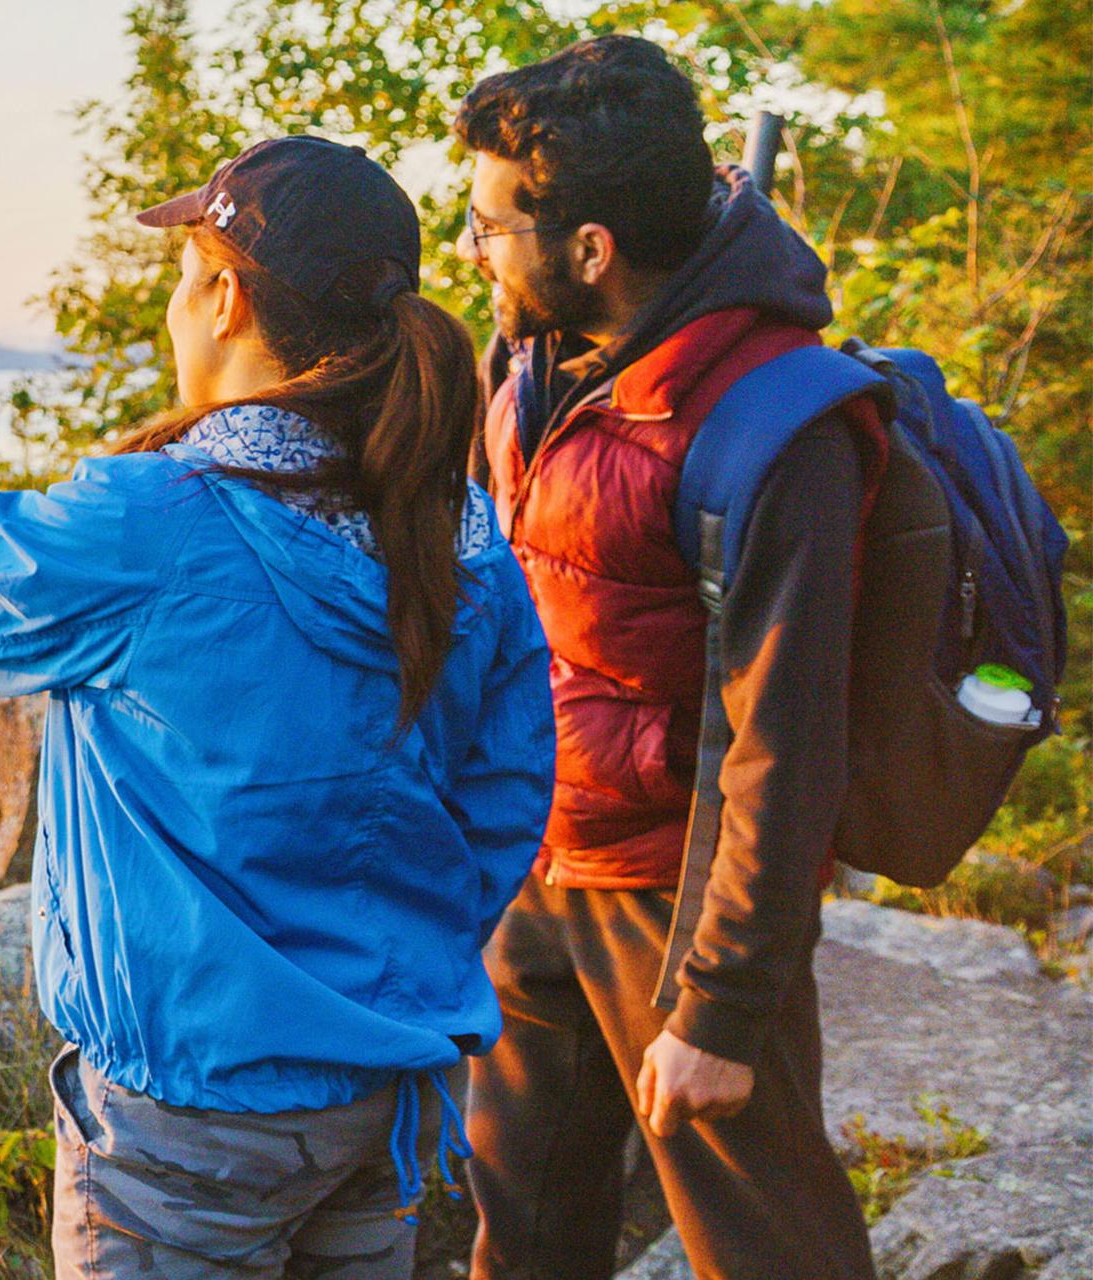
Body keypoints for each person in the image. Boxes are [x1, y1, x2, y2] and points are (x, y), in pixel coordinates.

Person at [0, 135, 554, 1278]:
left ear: (225, 297)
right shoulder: (460, 527)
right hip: (386, 1095)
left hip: (188, 1118)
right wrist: (403, 951)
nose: (177, 312)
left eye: (182, 280)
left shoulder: (162, 521)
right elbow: (508, 785)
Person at [451, 35, 883, 1280]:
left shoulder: (780, 421)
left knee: (768, 1249)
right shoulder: (530, 362)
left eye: (489, 226)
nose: (472, 248)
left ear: (590, 247)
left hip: (675, 896)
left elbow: (787, 741)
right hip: (538, 868)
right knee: (522, 1242)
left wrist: (724, 1008)